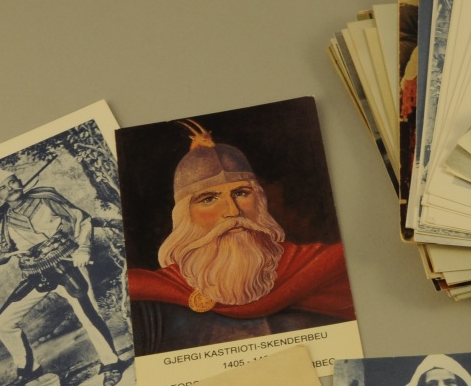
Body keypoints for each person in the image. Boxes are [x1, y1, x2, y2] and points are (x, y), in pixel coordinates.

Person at [127, 123, 355, 353]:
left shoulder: (319, 267)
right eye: (208, 199)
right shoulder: (148, 295)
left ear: (260, 203)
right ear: (185, 217)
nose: (233, 211)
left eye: (241, 193)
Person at [0, 166, 126, 386]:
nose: (10, 189)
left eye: (12, 182)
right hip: (36, 272)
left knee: (88, 316)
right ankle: (29, 369)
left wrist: (83, 248)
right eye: (2, 188)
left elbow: (81, 219)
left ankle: (111, 363)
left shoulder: (45, 197)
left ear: (19, 181)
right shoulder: (2, 220)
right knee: (2, 324)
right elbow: (1, 252)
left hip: (67, 264)